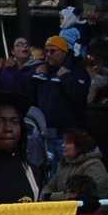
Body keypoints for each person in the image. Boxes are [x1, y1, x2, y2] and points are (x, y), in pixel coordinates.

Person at [30, 35, 90, 175]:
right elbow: (31, 99)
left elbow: (79, 96)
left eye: (53, 51)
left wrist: (65, 77)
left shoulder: (76, 70)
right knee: (44, 172)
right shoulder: (43, 71)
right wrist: (35, 79)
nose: (48, 55)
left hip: (66, 134)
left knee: (67, 172)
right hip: (44, 133)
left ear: (63, 52)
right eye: (47, 51)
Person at [40, 128, 108, 201]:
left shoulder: (94, 165)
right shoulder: (64, 165)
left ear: (80, 145)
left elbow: (81, 194)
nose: (63, 145)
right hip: (65, 208)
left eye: (68, 143)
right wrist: (45, 195)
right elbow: (50, 186)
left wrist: (51, 197)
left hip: (90, 209)